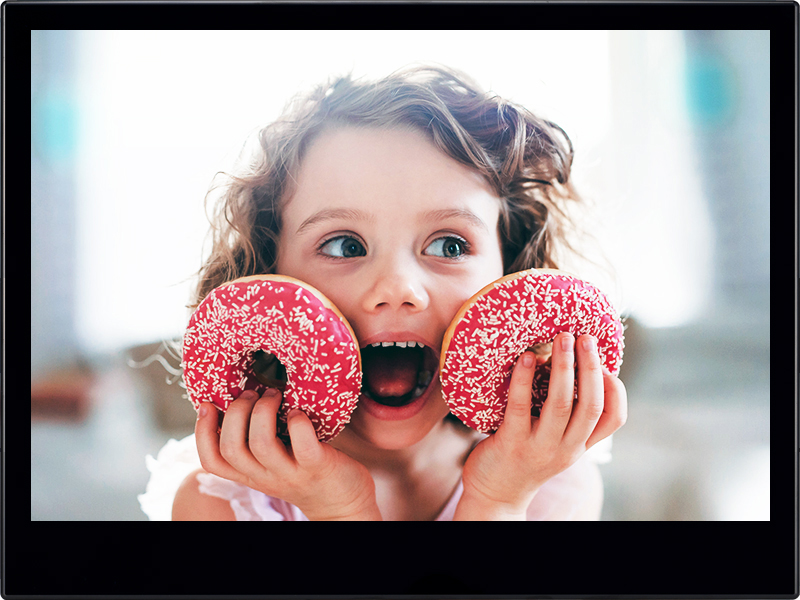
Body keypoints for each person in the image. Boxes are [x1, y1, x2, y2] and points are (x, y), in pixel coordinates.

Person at [138, 65, 627, 521]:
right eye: (344, 244)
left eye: (450, 244)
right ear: (269, 273)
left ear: (512, 269)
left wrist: (498, 499)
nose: (396, 288)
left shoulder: (547, 483)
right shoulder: (223, 502)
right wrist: (340, 510)